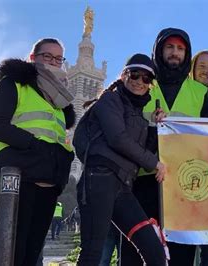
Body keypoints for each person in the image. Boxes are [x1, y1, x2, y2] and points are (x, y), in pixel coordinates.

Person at [120, 28, 208, 266]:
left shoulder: (200, 91)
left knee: (180, 252)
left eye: (180, 49)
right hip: (142, 178)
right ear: (159, 50)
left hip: (184, 183)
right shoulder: (143, 82)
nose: (175, 53)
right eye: (169, 47)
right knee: (136, 248)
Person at [75, 53, 167, 265]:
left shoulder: (137, 113)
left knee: (154, 250)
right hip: (99, 181)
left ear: (151, 84)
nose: (139, 82)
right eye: (134, 74)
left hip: (123, 187)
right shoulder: (109, 100)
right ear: (124, 75)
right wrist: (155, 164)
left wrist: (154, 126)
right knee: (92, 253)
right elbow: (118, 139)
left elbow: (141, 149)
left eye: (146, 78)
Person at [0, 37, 75, 266]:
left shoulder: (60, 104)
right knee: (10, 254)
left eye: (58, 59)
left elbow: (58, 140)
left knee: (31, 256)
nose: (53, 62)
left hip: (48, 187)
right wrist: (35, 146)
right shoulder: (14, 84)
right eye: (47, 56)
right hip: (16, 179)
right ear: (33, 58)